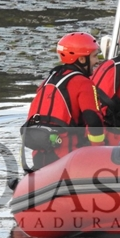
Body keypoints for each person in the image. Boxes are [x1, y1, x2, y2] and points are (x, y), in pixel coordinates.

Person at [21, 32, 106, 170]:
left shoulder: (47, 81)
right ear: (82, 59)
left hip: (39, 156)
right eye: (94, 56)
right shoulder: (83, 83)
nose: (97, 62)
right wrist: (100, 152)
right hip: (66, 155)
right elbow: (93, 120)